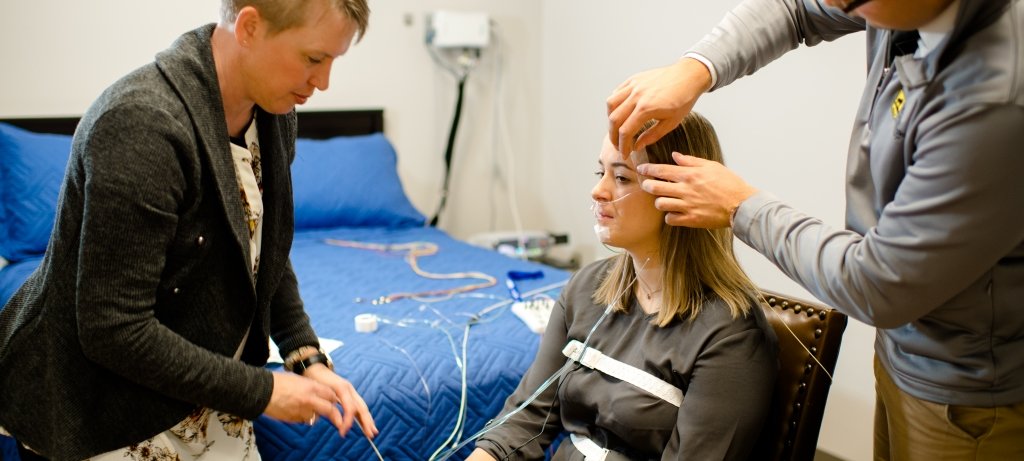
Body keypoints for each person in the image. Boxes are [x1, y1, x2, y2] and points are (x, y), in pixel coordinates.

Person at [606, 0, 1024, 459]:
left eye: (622, 176)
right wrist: (696, 68)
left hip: (968, 395)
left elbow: (879, 282)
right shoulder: (909, 10)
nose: (600, 193)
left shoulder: (997, 102)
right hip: (907, 349)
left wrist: (739, 206)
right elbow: (795, 9)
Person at [0, 1, 379, 459]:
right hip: (100, 411)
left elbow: (262, 247)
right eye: (314, 59)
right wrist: (262, 391)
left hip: (204, 390)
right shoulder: (141, 126)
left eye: (333, 62)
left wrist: (306, 356)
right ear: (250, 27)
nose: (323, 82)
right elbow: (113, 328)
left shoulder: (273, 112)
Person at [466, 113, 778, 460]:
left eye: (621, 177)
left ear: (680, 195)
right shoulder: (585, 289)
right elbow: (525, 420)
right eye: (601, 173)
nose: (598, 191)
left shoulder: (729, 334)